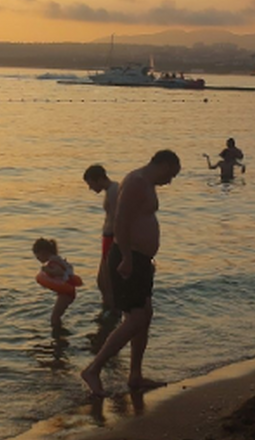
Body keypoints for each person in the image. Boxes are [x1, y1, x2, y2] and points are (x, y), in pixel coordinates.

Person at [80, 149, 181, 398]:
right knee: (135, 317)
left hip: (141, 258)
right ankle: (93, 369)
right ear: (164, 164)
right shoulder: (136, 182)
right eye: (171, 174)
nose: (170, 181)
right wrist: (126, 258)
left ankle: (135, 375)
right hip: (130, 257)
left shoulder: (145, 183)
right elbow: (121, 222)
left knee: (145, 315)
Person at [83, 164, 119, 312]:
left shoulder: (113, 191)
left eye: (90, 183)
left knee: (107, 281)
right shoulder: (112, 189)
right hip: (108, 237)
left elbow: (119, 218)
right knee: (102, 281)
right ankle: (108, 308)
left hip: (112, 238)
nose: (90, 188)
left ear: (98, 179)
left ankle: (112, 311)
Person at [32, 237, 82, 330]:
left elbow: (60, 272)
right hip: (67, 292)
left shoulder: (53, 262)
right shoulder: (57, 259)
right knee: (57, 315)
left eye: (38, 257)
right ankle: (61, 334)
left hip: (66, 293)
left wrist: (47, 270)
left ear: (43, 252)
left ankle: (59, 337)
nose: (38, 259)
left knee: (54, 317)